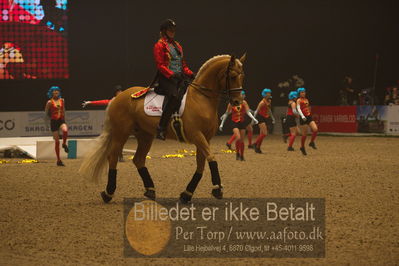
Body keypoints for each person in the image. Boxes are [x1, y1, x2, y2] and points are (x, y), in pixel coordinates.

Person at [153, 19, 195, 140]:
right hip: (166, 78)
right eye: (170, 30)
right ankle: (161, 127)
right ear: (164, 32)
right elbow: (160, 65)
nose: (172, 33)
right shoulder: (159, 45)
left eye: (173, 31)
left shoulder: (178, 46)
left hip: (178, 77)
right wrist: (171, 75)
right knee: (174, 96)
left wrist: (191, 74)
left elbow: (183, 65)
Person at [219, 96, 258, 161]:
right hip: (234, 122)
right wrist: (221, 124)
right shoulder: (231, 103)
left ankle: (241, 155)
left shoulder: (244, 102)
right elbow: (226, 113)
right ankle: (237, 153)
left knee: (242, 140)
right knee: (238, 138)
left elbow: (248, 112)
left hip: (242, 122)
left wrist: (254, 119)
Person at [44, 86, 68, 166]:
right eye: (54, 91)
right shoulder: (49, 102)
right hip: (53, 122)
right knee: (57, 142)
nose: (56, 93)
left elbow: (64, 110)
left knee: (65, 130)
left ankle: (64, 144)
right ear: (51, 93)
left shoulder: (62, 100)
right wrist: (47, 123)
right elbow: (46, 113)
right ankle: (58, 160)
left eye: (57, 91)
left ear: (59, 92)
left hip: (61, 120)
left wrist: (64, 118)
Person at [252, 88, 275, 153]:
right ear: (264, 94)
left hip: (265, 117)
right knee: (264, 133)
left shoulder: (269, 101)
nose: (269, 94)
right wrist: (253, 119)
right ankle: (255, 143)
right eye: (267, 93)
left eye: (269, 93)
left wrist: (272, 117)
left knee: (261, 134)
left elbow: (269, 110)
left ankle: (258, 148)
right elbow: (256, 111)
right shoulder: (262, 102)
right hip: (260, 117)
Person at [296, 88, 318, 155]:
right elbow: (298, 109)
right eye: (302, 92)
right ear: (299, 93)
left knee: (315, 129)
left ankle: (311, 142)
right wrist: (302, 116)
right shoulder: (298, 100)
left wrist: (309, 112)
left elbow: (307, 107)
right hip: (303, 118)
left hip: (308, 117)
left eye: (304, 92)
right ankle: (302, 147)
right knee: (304, 135)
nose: (303, 93)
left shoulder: (306, 99)